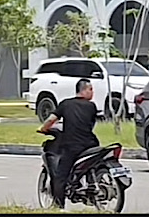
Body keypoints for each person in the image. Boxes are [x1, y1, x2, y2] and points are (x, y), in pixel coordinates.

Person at [39, 78, 101, 209]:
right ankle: (90, 185)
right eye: (91, 89)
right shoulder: (92, 106)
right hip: (91, 144)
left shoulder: (65, 104)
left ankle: (59, 206)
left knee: (60, 175)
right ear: (83, 90)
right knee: (93, 165)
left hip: (72, 145)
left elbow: (51, 120)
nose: (92, 92)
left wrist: (43, 129)